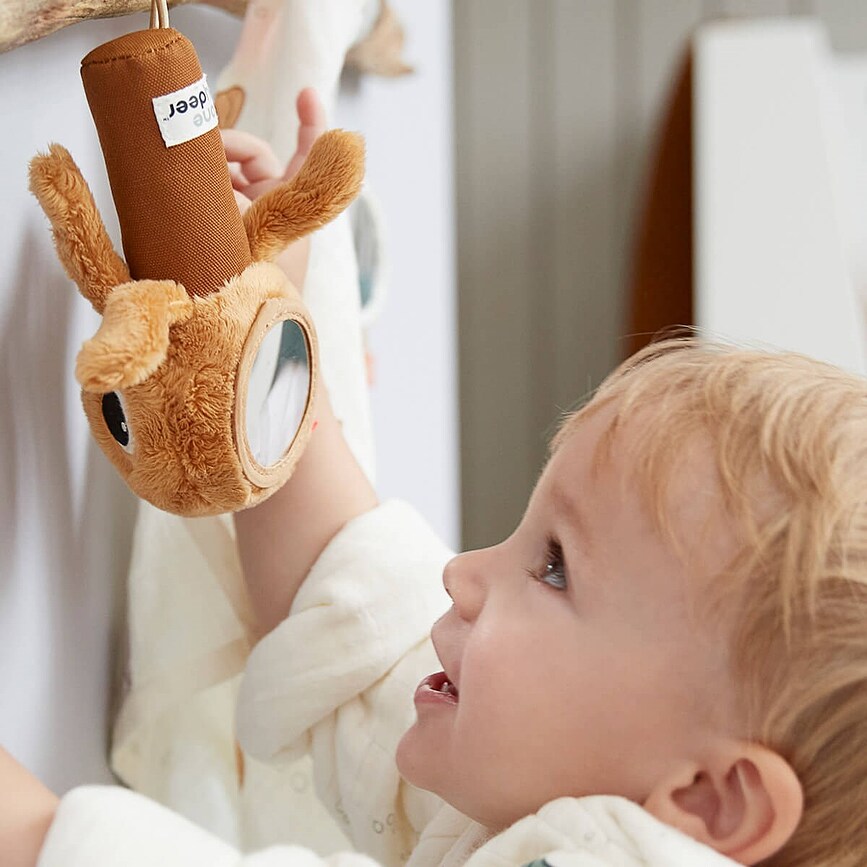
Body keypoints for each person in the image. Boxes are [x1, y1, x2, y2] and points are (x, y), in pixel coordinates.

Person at [3, 97, 867, 867]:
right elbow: (354, 627)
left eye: (555, 568)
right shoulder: (523, 787)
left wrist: (37, 832)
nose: (461, 573)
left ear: (712, 800)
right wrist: (262, 344)